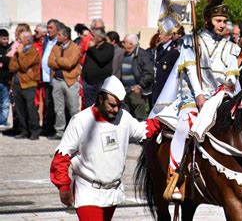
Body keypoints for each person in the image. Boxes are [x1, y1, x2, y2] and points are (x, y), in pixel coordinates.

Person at [154, 0, 240, 201]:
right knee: (184, 126)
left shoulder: (231, 47)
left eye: (224, 21)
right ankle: (176, 177)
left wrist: (228, 85)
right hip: (193, 97)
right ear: (209, 20)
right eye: (218, 20)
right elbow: (191, 70)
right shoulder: (193, 41)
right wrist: (200, 95)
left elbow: (232, 72)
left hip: (220, 97)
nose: (222, 25)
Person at [49, 75, 161, 220]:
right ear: (101, 99)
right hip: (87, 192)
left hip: (112, 193)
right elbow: (61, 157)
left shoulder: (124, 117)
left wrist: (164, 120)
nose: (116, 110)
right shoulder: (80, 121)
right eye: (112, 105)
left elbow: (143, 130)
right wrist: (64, 187)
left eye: (119, 106)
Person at [47, 26, 82, 140]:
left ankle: (77, 133)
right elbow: (49, 62)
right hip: (57, 81)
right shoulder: (55, 47)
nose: (57, 37)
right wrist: (59, 61)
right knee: (58, 109)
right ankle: (60, 131)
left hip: (70, 82)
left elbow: (70, 63)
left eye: (59, 35)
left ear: (66, 36)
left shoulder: (75, 48)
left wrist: (57, 60)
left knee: (73, 109)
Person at [9, 31, 41, 140]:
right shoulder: (18, 52)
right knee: (19, 108)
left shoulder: (33, 52)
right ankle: (23, 130)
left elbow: (24, 65)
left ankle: (34, 130)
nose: (18, 41)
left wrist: (21, 54)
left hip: (29, 83)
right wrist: (20, 60)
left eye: (20, 39)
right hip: (17, 83)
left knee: (30, 108)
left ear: (27, 40)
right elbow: (12, 67)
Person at [120, 34, 154, 120]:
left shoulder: (142, 54)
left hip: (136, 92)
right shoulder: (124, 54)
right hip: (125, 91)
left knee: (139, 118)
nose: (122, 44)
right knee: (126, 118)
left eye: (124, 42)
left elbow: (149, 73)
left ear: (131, 44)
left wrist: (140, 86)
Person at [81, 28, 114, 108]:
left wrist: (92, 48)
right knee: (89, 107)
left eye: (92, 35)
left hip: (100, 82)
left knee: (101, 105)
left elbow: (101, 59)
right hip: (88, 83)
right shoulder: (90, 47)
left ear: (99, 38)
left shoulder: (108, 47)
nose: (90, 37)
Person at [149, 29, 180, 108]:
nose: (159, 36)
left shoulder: (174, 51)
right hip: (156, 88)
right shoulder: (159, 48)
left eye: (162, 34)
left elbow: (176, 72)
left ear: (170, 36)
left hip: (166, 90)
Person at [40, 19, 60, 137]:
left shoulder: (60, 41)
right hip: (45, 77)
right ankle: (48, 127)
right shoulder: (47, 40)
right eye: (47, 27)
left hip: (55, 77)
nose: (48, 30)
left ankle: (55, 128)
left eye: (51, 28)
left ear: (57, 29)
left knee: (56, 105)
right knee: (48, 104)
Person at [0, 29, 10, 127]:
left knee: (5, 103)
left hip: (5, 81)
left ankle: (2, 121)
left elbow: (9, 61)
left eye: (7, 39)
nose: (6, 41)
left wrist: (3, 58)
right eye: (3, 39)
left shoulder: (9, 49)